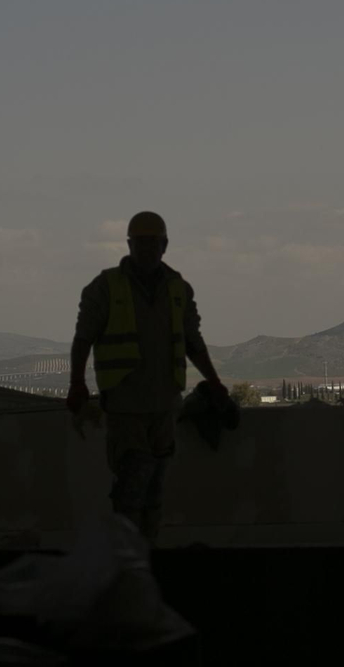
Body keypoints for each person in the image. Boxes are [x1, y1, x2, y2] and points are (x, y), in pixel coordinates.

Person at [67, 210, 227, 545]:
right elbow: (83, 338)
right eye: (141, 242)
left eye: (153, 242)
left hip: (164, 406)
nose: (147, 249)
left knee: (154, 490)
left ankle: (144, 553)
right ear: (129, 245)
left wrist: (214, 382)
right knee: (132, 484)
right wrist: (77, 383)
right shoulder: (106, 287)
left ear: (164, 245)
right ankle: (126, 556)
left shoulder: (178, 289)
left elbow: (193, 342)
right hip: (125, 407)